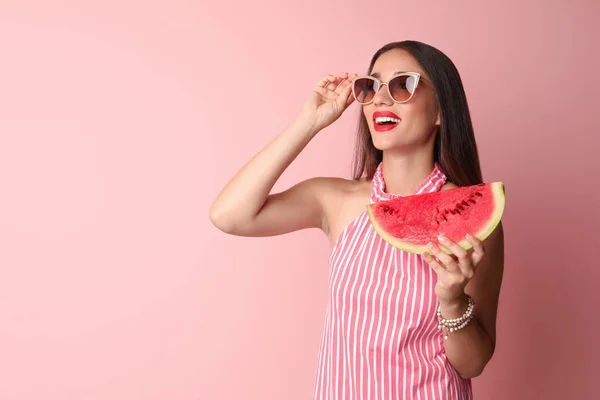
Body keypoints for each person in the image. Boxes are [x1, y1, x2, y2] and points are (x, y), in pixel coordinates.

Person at [209, 40, 504, 400]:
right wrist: (310, 122)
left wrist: (453, 299)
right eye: (371, 86)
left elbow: (472, 364)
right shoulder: (337, 201)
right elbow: (230, 215)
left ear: (441, 110)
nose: (381, 98)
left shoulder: (471, 218)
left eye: (403, 85)